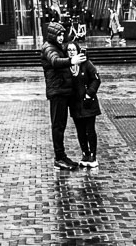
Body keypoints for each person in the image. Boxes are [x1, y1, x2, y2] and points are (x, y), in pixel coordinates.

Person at [40, 20, 85, 170]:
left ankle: (62, 156)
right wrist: (72, 60)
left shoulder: (57, 46)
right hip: (57, 92)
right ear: (52, 35)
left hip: (62, 90)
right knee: (58, 125)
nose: (61, 37)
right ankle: (59, 158)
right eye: (58, 35)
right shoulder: (49, 48)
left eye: (62, 35)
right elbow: (55, 61)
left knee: (61, 125)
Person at [68, 32, 102, 169]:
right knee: (80, 130)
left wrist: (89, 93)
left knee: (90, 129)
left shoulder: (86, 64)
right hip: (75, 104)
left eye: (73, 50)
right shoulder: (67, 66)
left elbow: (96, 79)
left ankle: (93, 155)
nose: (71, 52)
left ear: (78, 51)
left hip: (88, 103)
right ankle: (85, 153)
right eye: (69, 50)